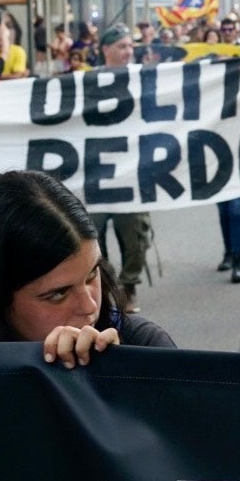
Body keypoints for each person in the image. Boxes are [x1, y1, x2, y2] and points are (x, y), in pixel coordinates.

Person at [0, 170, 173, 362]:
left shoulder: (141, 346)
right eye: (57, 294)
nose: (89, 306)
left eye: (91, 275)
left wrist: (121, 388)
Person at [86, 23, 153, 311]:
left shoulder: (143, 79)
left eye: (131, 46)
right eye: (122, 46)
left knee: (134, 234)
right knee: (91, 237)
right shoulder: (88, 82)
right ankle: (104, 288)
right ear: (105, 50)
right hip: (97, 174)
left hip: (131, 173)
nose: (128, 52)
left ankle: (129, 286)